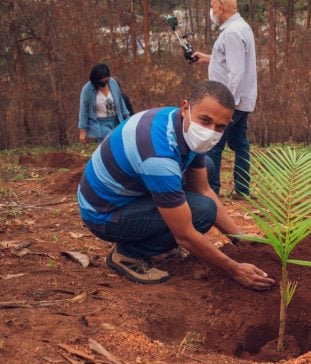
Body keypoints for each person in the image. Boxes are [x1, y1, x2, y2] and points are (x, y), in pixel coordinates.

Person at [77, 80, 274, 290]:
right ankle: (129, 253)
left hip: (126, 192)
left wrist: (238, 237)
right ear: (185, 108)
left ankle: (153, 239)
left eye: (220, 127)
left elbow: (203, 188)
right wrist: (235, 269)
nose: (210, 131)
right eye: (205, 121)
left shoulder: (180, 125)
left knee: (205, 166)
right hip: (104, 214)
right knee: (202, 212)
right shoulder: (158, 157)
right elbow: (185, 235)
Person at [192, 0, 257, 199]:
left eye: (212, 7)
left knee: (213, 144)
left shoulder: (232, 33)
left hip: (230, 101)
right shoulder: (239, 28)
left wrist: (225, 104)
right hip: (240, 100)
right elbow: (229, 59)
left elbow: (236, 71)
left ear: (220, 8)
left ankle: (212, 189)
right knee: (240, 143)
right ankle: (242, 189)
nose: (211, 11)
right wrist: (206, 57)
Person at [78, 63, 130, 144]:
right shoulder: (87, 89)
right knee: (112, 140)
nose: (104, 83)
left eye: (106, 80)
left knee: (121, 142)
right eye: (102, 81)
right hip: (101, 123)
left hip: (116, 120)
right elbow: (83, 111)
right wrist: (82, 130)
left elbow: (120, 102)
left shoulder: (113, 83)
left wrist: (127, 118)